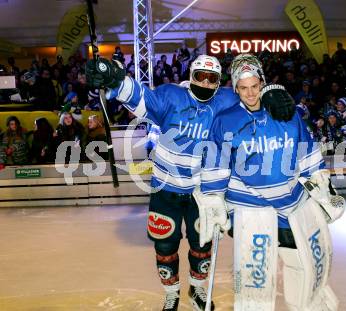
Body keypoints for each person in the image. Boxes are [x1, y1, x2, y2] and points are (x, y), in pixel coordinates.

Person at [85, 54, 295, 311]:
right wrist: (115, 76)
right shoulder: (171, 96)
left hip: (201, 193)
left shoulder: (226, 100)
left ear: (219, 83)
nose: (206, 83)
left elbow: (252, 93)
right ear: (191, 76)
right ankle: (171, 294)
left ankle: (197, 290)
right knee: (164, 246)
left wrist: (275, 90)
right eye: (200, 76)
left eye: (212, 79)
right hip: (165, 189)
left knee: (202, 246)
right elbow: (139, 97)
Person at [195, 54, 344, 311]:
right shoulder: (225, 120)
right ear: (235, 88)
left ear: (262, 83)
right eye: (243, 88)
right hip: (250, 209)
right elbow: (215, 166)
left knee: (305, 265)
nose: (250, 94)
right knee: (256, 280)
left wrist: (322, 188)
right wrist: (212, 200)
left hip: (292, 205)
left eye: (255, 86)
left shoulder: (285, 111)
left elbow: (306, 152)